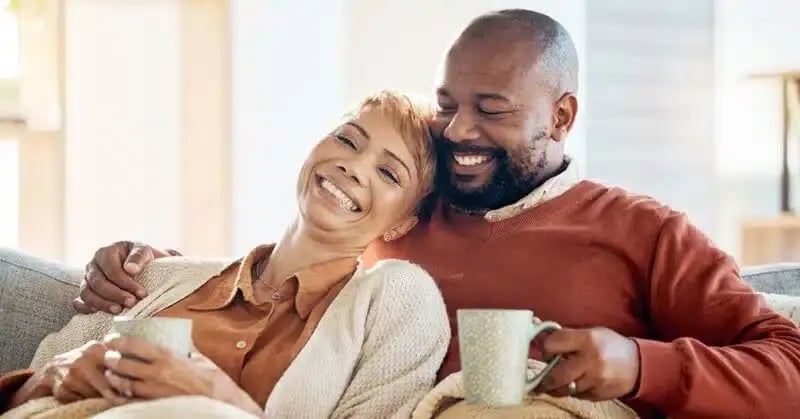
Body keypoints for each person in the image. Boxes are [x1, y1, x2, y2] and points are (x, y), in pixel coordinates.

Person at [70, 9, 800, 419]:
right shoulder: (406, 208)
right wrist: (144, 269)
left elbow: (788, 362)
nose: (457, 132)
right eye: (449, 104)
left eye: (492, 111)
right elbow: (286, 279)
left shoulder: (644, 231)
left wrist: (639, 362)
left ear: (563, 115)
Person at [0, 91, 450, 418]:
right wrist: (58, 373)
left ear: (402, 223)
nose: (352, 165)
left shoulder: (395, 300)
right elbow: (22, 394)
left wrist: (217, 398)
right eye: (348, 140)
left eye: (389, 173)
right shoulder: (158, 275)